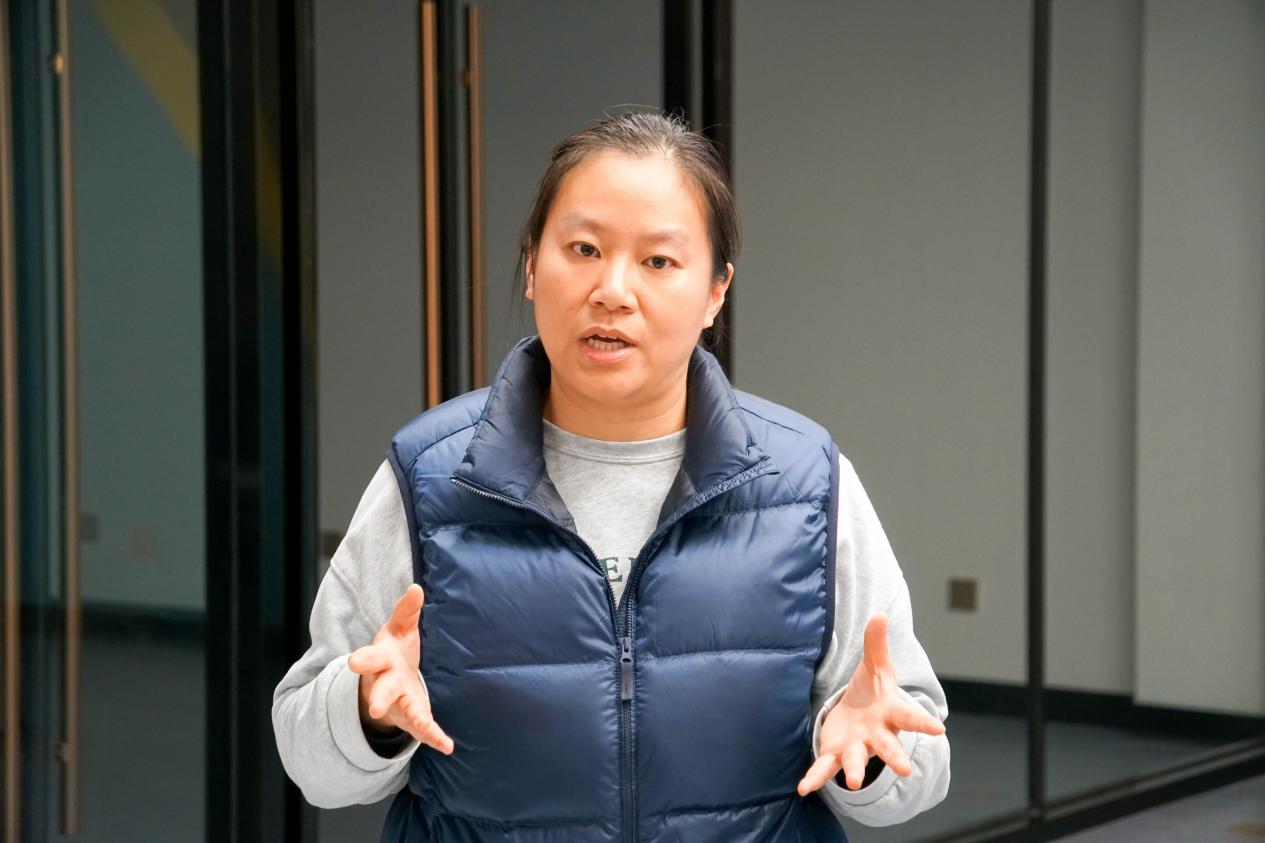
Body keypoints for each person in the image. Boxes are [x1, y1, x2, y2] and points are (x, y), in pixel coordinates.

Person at [273, 109, 950, 842]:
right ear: (532, 265)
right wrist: (365, 711)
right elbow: (314, 767)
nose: (612, 290)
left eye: (658, 261)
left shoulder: (805, 482)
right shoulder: (431, 477)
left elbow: (916, 764)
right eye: (584, 249)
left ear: (715, 291)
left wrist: (871, 754)